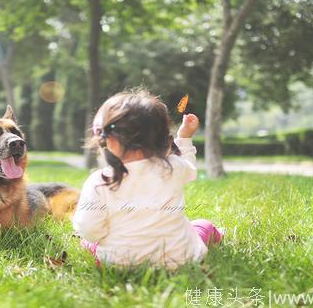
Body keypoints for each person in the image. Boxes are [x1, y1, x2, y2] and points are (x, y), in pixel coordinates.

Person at [72, 89, 223, 269]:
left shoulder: (100, 182)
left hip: (120, 263)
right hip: (181, 258)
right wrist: (184, 138)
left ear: (107, 139)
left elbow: (90, 230)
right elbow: (188, 167)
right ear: (162, 137)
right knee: (201, 225)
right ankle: (218, 235)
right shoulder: (173, 168)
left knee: (89, 242)